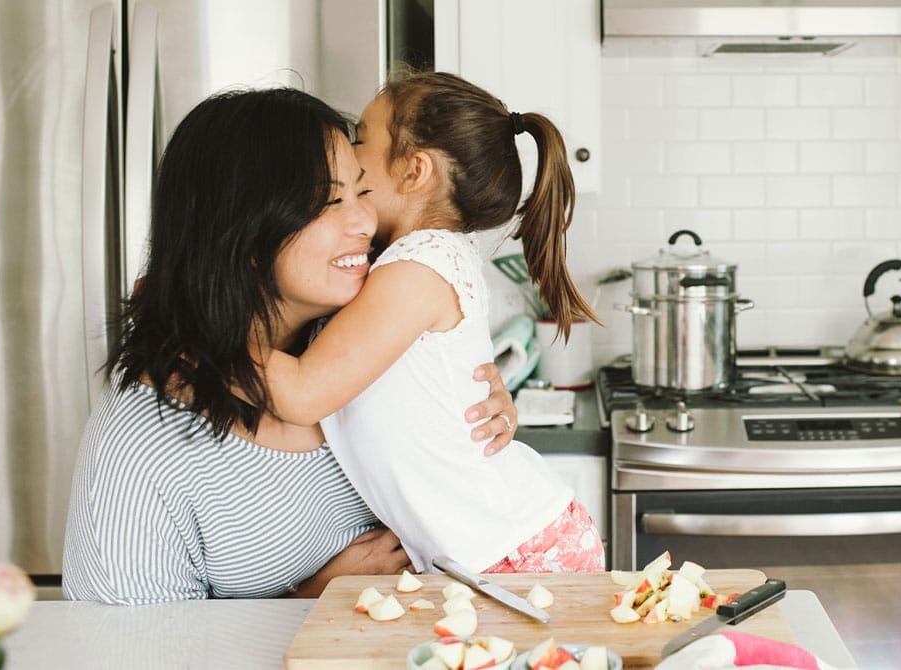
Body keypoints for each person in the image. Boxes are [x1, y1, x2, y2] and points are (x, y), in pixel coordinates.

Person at [61, 87, 519, 604]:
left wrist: (472, 397)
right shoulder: (144, 447)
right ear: (240, 228)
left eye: (362, 192)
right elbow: (133, 653)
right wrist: (317, 597)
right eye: (330, 200)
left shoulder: (365, 355)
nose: (365, 223)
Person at [261, 69, 605, 574]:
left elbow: (302, 393)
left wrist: (184, 329)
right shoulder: (419, 258)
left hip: (518, 551)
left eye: (360, 140)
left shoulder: (418, 266)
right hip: (506, 546)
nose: (344, 156)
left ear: (413, 171)